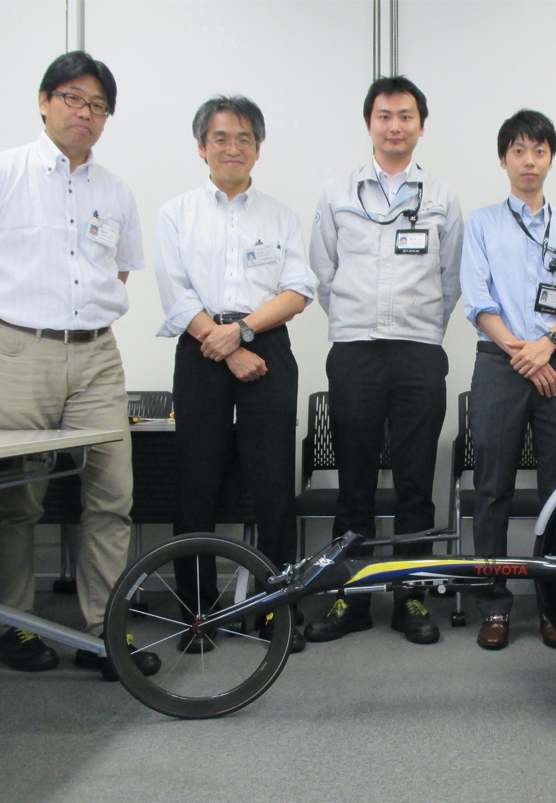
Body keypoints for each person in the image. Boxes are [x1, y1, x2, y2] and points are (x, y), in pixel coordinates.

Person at [0, 52, 158, 679]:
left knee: (112, 496)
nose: (85, 112)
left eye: (98, 105)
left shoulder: (114, 191)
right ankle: (14, 628)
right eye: (72, 98)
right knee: (18, 498)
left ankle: (103, 631)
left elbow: (115, 273)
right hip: (20, 349)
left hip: (97, 355)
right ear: (44, 101)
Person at [155, 95, 317, 654]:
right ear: (202, 147)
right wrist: (225, 346)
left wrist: (243, 333)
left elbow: (299, 290)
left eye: (244, 138)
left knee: (273, 485)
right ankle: (196, 613)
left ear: (258, 148)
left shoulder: (280, 215)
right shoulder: (176, 213)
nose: (232, 148)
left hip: (265, 345)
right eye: (220, 138)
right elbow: (175, 293)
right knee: (195, 484)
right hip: (200, 346)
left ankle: (274, 610)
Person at [307, 76, 463, 645]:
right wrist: (355, 322)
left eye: (405, 116)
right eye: (384, 116)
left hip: (419, 353)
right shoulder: (336, 193)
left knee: (415, 483)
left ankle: (410, 597)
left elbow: (451, 278)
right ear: (369, 123)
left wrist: (420, 328)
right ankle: (350, 597)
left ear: (421, 125)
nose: (395, 126)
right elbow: (323, 272)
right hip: (355, 352)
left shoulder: (442, 197)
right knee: (354, 483)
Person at [460, 109, 556, 650]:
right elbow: (477, 300)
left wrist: (548, 345)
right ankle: (493, 604)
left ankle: (554, 606)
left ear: (551, 159)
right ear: (503, 160)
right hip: (502, 363)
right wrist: (524, 352)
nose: (529, 160)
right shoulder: (482, 223)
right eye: (518, 150)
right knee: (491, 487)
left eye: (539, 150)